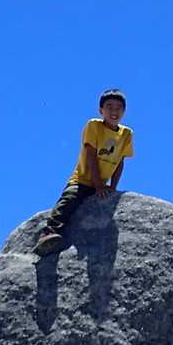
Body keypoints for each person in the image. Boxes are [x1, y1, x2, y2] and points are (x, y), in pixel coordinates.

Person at [34, 90, 134, 256]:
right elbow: (90, 156)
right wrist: (99, 185)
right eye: (109, 107)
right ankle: (49, 233)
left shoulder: (126, 134)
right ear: (101, 110)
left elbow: (120, 161)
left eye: (118, 108)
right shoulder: (94, 126)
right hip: (82, 180)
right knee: (69, 200)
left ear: (124, 111)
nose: (114, 111)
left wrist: (112, 186)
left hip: (101, 185)